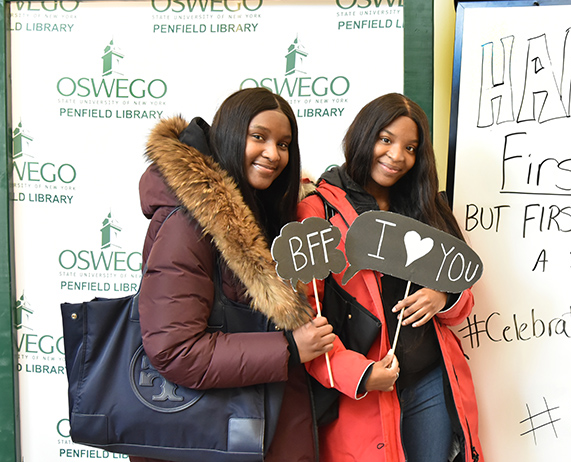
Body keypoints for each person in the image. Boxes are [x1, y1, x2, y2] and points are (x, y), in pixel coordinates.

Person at [133, 88, 335, 462]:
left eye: (284, 143)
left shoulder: (266, 213)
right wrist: (289, 348)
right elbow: (174, 350)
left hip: (261, 426)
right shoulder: (188, 223)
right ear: (229, 135)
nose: (273, 154)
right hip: (216, 435)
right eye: (258, 137)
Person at [298, 93, 484, 462]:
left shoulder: (425, 207)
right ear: (363, 136)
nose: (397, 156)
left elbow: (464, 294)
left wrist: (441, 297)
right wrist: (361, 375)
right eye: (386, 139)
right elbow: (303, 318)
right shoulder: (317, 209)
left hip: (430, 379)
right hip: (364, 393)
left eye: (410, 147)